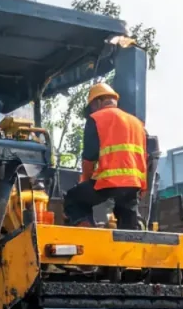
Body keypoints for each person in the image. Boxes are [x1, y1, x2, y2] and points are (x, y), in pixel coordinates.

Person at [63, 83, 147, 230]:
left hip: (108, 182)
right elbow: (143, 158)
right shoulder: (137, 123)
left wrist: (85, 181)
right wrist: (142, 187)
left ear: (97, 102)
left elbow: (89, 157)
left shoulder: (96, 119)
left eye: (92, 107)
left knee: (74, 199)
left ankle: (87, 232)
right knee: (128, 222)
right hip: (134, 184)